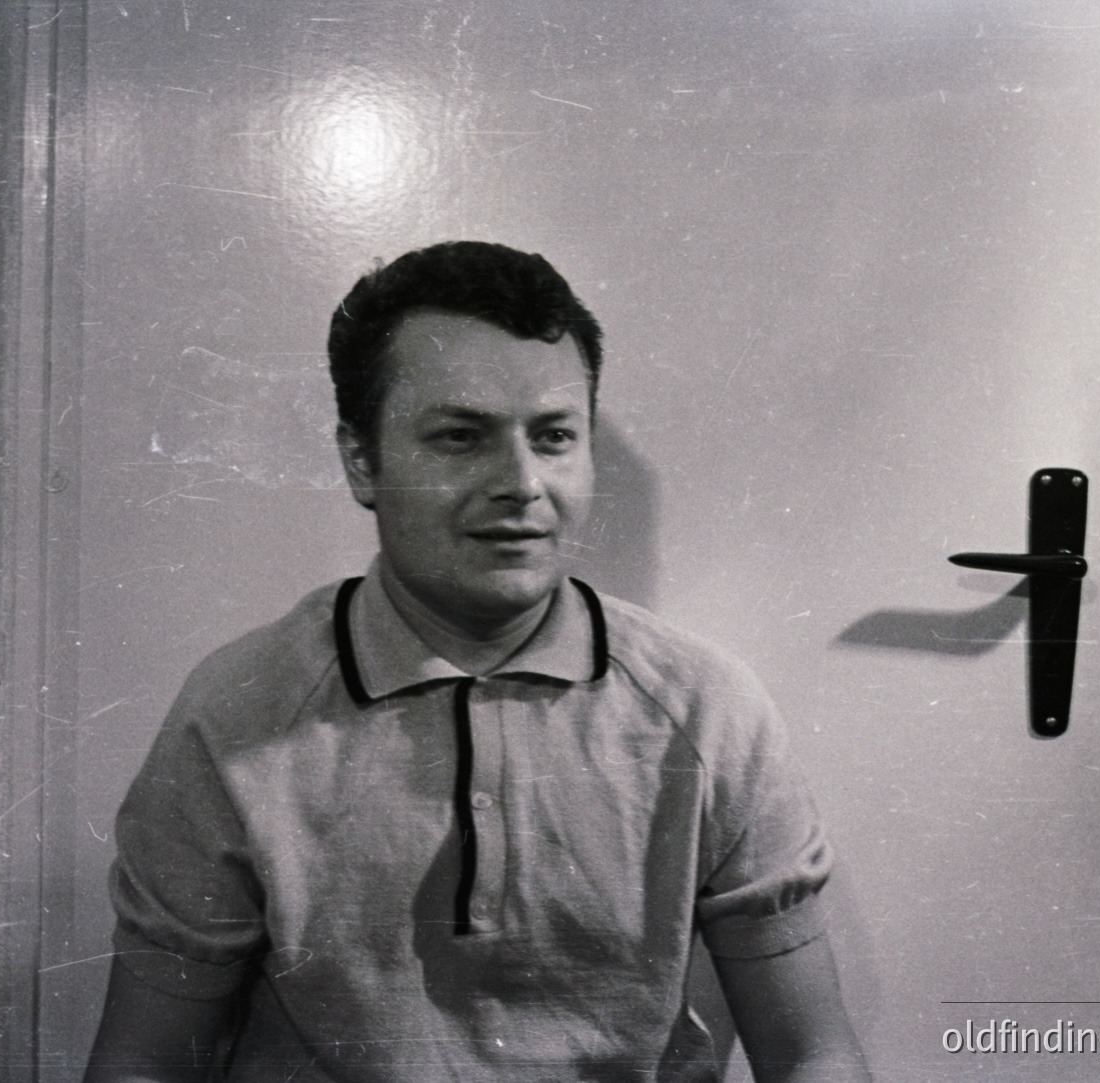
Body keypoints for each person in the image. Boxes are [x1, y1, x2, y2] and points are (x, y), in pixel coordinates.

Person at [84, 241, 868, 1081]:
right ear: (361, 461)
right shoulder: (236, 712)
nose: (522, 483)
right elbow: (144, 1064)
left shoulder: (709, 708)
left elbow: (812, 1056)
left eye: (554, 436)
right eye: (461, 437)